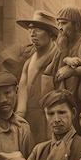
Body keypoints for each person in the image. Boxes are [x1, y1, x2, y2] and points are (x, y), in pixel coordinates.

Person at [16, 10, 59, 144]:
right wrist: (20, 118)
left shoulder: (58, 58)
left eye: (38, 29)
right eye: (30, 29)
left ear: (51, 34)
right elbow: (22, 93)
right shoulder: (28, 62)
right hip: (30, 119)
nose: (32, 34)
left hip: (51, 118)